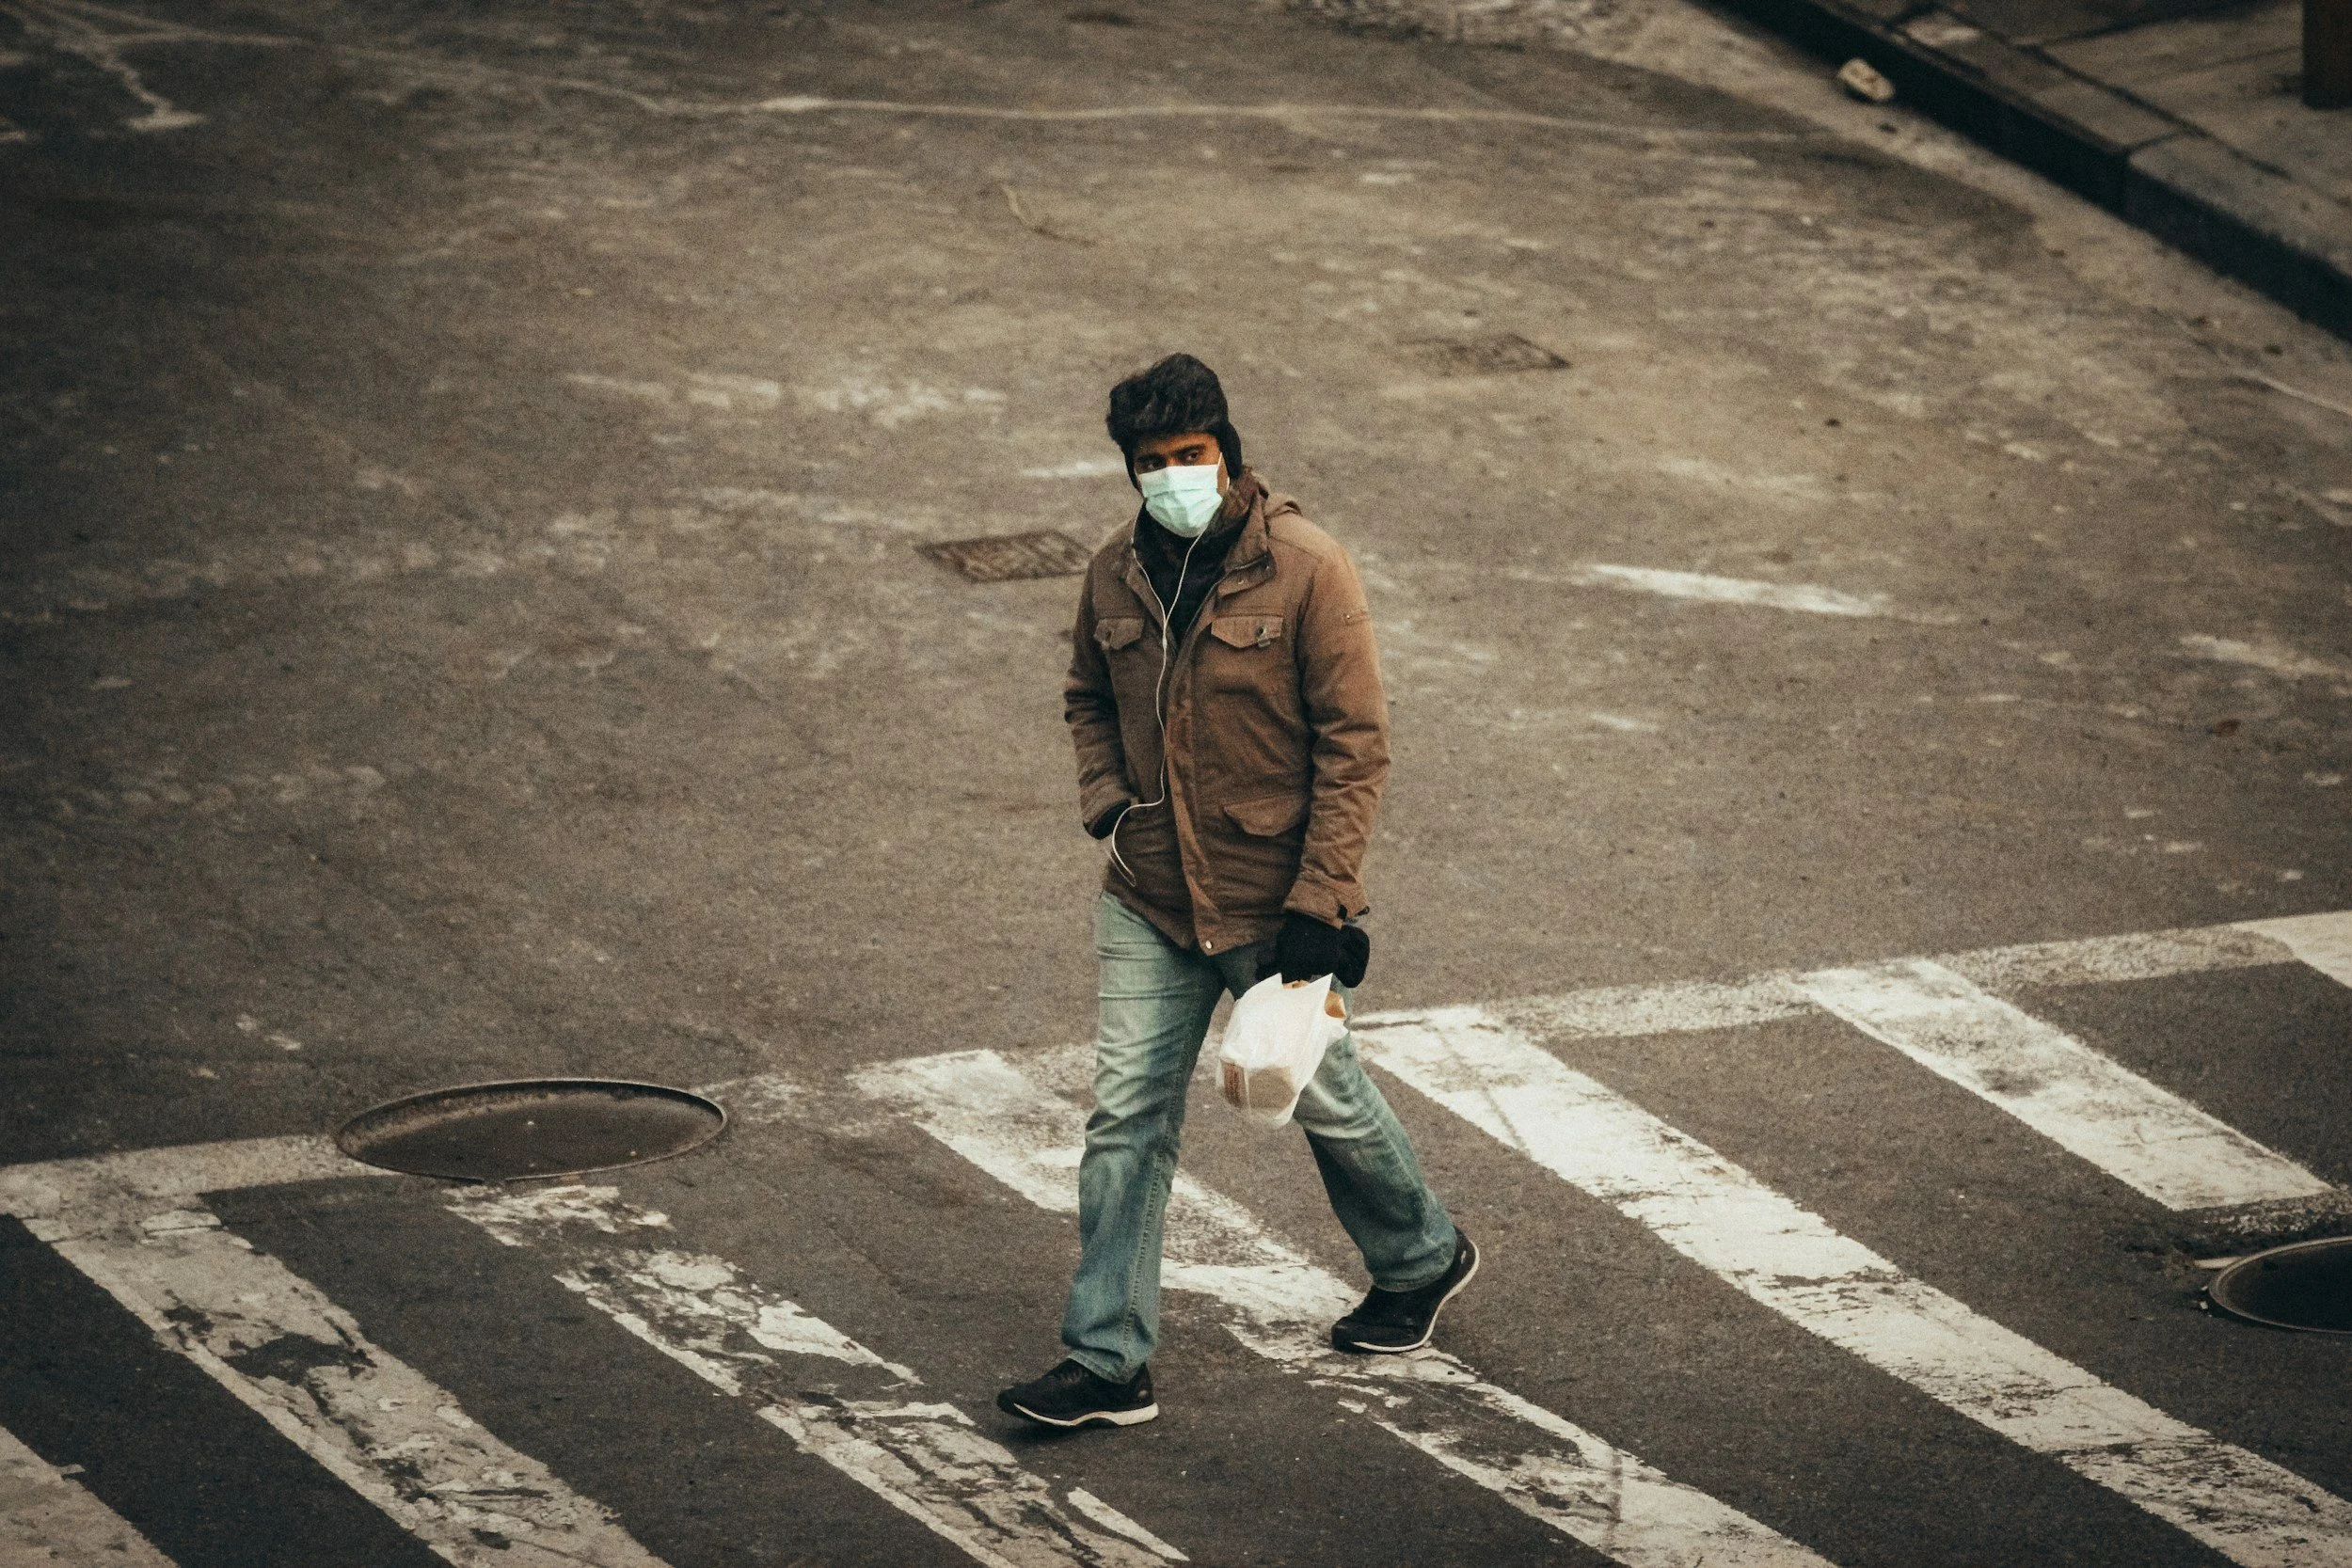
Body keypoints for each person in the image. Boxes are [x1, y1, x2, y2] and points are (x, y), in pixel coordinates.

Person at [996, 354, 1475, 1430]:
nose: (1173, 474)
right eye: (1152, 461)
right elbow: (1085, 695)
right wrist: (1108, 801)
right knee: (1126, 1117)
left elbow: (1355, 745)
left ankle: (1421, 1254)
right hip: (1149, 894)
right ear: (1129, 469)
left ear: (1228, 451)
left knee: (1316, 1095)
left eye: (1191, 453)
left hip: (1270, 901)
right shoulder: (1113, 572)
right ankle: (1107, 1357)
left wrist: (1323, 901)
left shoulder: (1307, 569)